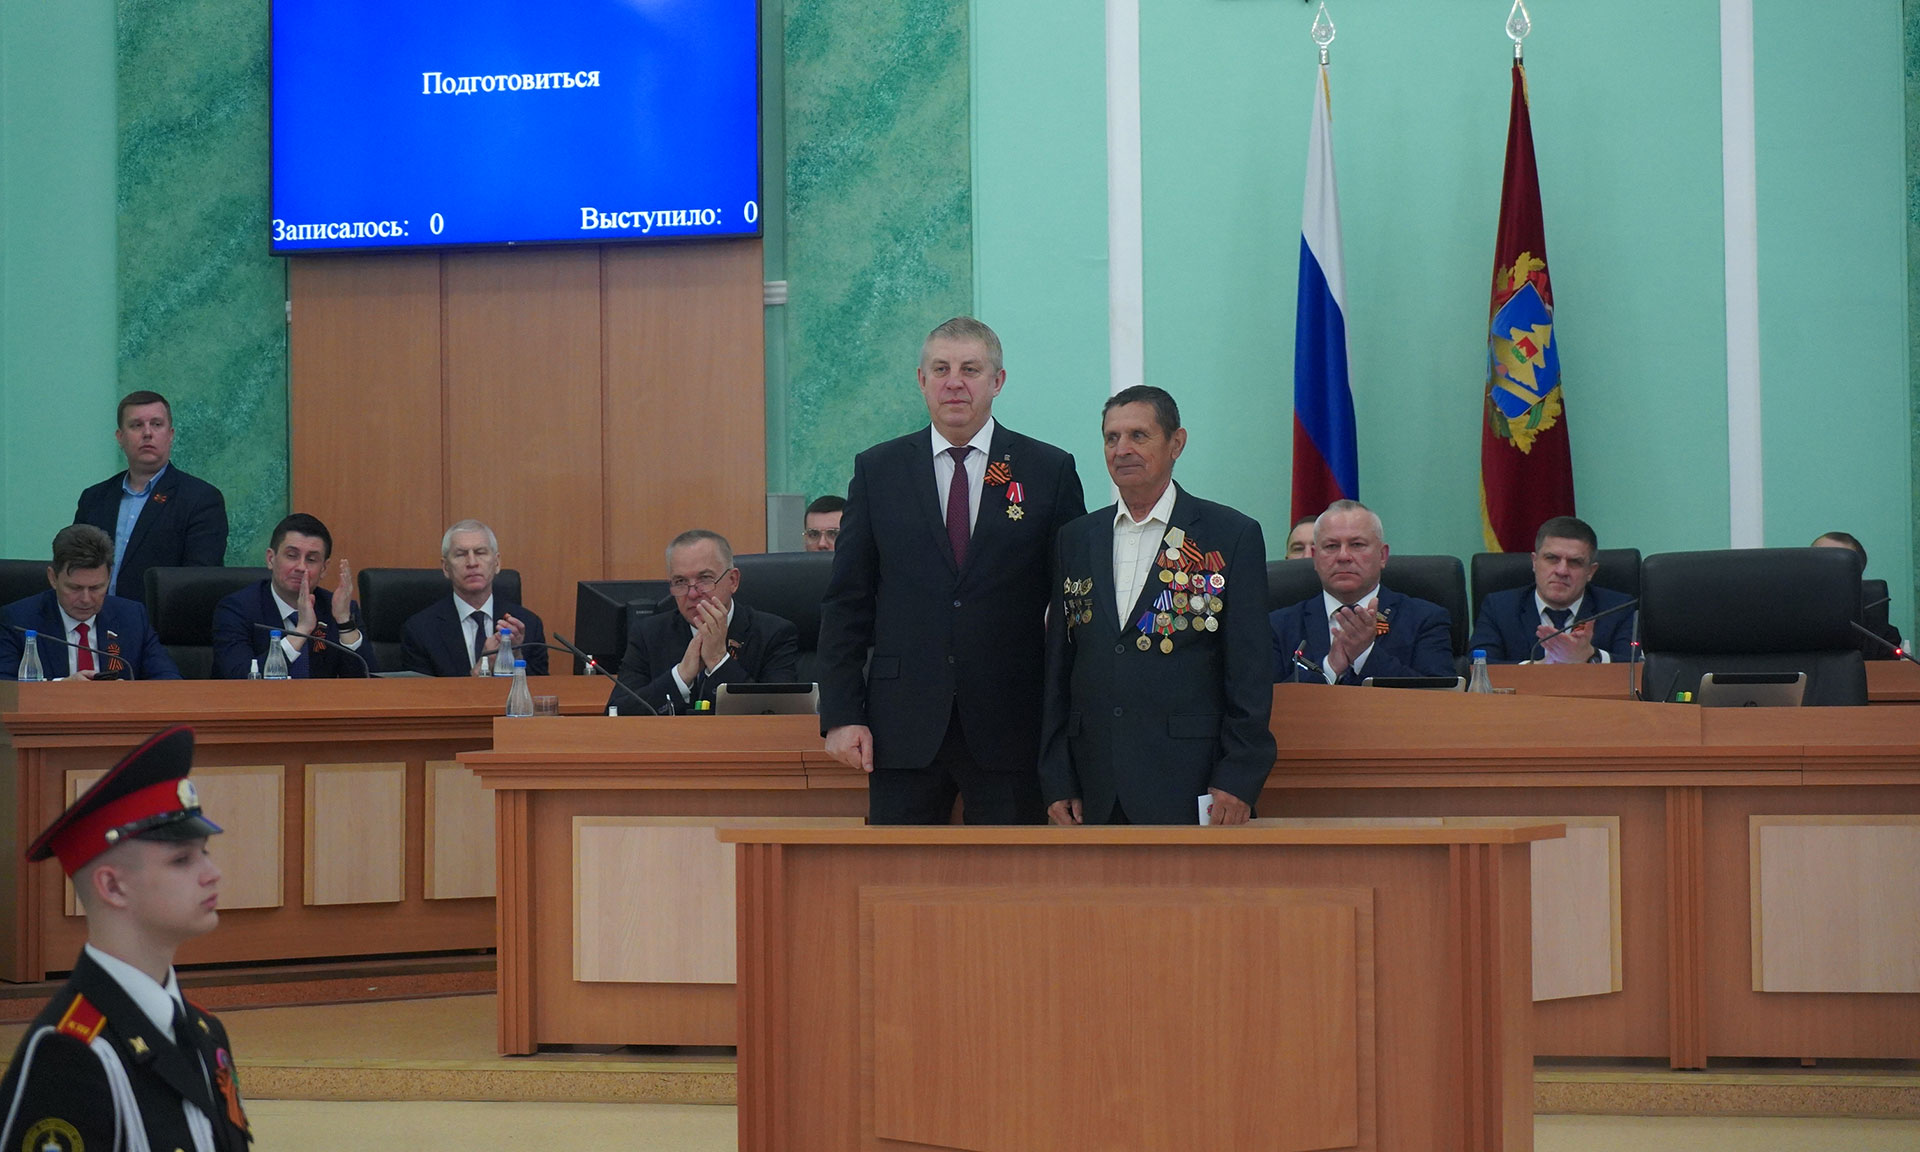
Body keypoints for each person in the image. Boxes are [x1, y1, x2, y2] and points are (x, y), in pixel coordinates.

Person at [817, 316, 1086, 824]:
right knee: (900, 872)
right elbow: (847, 601)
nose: (954, 382)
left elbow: (1073, 606)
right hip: (902, 728)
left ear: (997, 381)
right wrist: (842, 715)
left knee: (1012, 872)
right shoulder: (878, 470)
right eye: (941, 369)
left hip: (1013, 728)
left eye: (970, 369)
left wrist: (1067, 730)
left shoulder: (1048, 470)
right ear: (922, 380)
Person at [0, 726, 252, 1152]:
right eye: (182, 859)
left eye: (205, 852)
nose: (212, 873)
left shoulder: (204, 1031)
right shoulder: (71, 1054)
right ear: (113, 887)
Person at [1040, 386, 1275, 825]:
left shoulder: (1229, 534)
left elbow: (1250, 672)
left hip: (1189, 779)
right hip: (1094, 784)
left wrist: (1239, 775)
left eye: (1138, 435)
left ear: (1176, 443)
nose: (1122, 449)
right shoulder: (1076, 538)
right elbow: (1060, 667)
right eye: (1111, 438)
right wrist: (1057, 777)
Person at [610, 530, 800, 714]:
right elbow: (616, 713)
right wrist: (680, 676)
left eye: (705, 579)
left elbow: (778, 715)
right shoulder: (648, 634)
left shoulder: (773, 633)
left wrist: (718, 660)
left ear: (733, 581)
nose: (692, 594)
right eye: (680, 581)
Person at [1269, 499, 1454, 683]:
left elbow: (1439, 695)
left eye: (1357, 544)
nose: (1343, 556)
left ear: (1382, 556)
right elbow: (1268, 697)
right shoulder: (1278, 626)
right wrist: (1330, 667)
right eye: (1331, 546)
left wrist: (1364, 654)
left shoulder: (1425, 619)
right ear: (1315, 558)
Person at [73, 391, 229, 601]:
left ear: (170, 434)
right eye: (136, 425)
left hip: (160, 620)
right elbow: (74, 567)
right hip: (95, 617)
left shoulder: (201, 499)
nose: (147, 433)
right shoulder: (94, 498)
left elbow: (199, 583)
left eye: (156, 424)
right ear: (120, 437)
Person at [0, 525, 181, 680]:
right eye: (75, 588)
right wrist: (59, 688)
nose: (86, 599)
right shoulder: (17, 621)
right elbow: (5, 690)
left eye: (96, 588)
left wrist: (127, 693)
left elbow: (169, 681)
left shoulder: (132, 617)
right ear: (53, 578)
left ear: (109, 577)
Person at [211, 513, 375, 678]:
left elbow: (371, 681)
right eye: (291, 556)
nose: (301, 567)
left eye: (311, 559)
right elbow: (239, 677)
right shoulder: (236, 609)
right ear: (271, 559)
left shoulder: (338, 609)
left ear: (324, 569)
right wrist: (302, 630)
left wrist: (344, 622)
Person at [1468, 515, 1636, 663]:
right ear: (1534, 562)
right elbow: (1478, 665)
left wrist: (1591, 656)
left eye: (1575, 562)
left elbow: (1636, 666)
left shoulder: (1618, 609)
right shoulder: (1499, 608)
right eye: (1552, 558)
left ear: (1590, 572)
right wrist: (1537, 668)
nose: (1562, 571)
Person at [400, 519, 548, 676]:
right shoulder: (420, 631)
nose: (472, 562)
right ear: (446, 568)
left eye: (480, 552)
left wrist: (516, 656)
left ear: (497, 563)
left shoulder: (529, 624)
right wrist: (481, 668)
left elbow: (541, 688)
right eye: (461, 554)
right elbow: (420, 691)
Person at [1813, 531, 1905, 658]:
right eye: (1816, 561)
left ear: (1856, 577)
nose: (1823, 571)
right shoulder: (1787, 627)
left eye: (1835, 564)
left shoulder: (1882, 639)